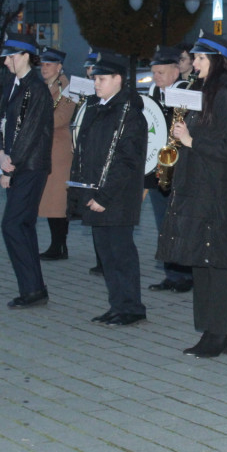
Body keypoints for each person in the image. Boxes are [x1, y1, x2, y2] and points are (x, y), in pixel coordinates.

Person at [156, 33, 227, 358]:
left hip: (213, 188)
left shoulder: (226, 94)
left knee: (214, 263)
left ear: (217, 61)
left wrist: (192, 140)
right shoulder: (200, 92)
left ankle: (218, 332)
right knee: (200, 260)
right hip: (195, 184)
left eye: (200, 59)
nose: (193, 63)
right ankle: (211, 331)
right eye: (194, 58)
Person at [69, 53, 148, 326]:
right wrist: (83, 190)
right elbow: (85, 149)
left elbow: (126, 160)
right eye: (95, 78)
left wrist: (104, 196)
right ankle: (117, 304)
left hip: (116, 197)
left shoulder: (129, 112)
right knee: (106, 254)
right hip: (95, 193)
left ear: (118, 79)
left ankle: (132, 307)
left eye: (102, 79)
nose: (96, 84)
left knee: (120, 252)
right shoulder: (96, 107)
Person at [0, 33, 53, 308]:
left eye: (10, 56)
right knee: (22, 226)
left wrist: (9, 167)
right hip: (16, 164)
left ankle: (32, 289)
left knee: (13, 225)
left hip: (30, 167)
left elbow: (28, 133)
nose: (5, 61)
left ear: (25, 56)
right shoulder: (13, 84)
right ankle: (34, 289)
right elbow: (2, 123)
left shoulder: (36, 89)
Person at [144, 45, 195, 294]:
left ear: (176, 71)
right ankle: (171, 273)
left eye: (161, 73)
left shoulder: (187, 91)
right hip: (157, 165)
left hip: (181, 167)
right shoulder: (153, 91)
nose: (156, 78)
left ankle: (186, 274)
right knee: (163, 222)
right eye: (154, 73)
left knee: (180, 222)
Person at [38, 48, 76, 261]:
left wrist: (33, 119)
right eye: (42, 64)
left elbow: (60, 118)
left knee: (58, 201)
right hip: (45, 148)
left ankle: (59, 245)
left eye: (49, 64)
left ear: (59, 66)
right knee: (50, 200)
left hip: (59, 149)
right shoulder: (42, 87)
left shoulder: (67, 88)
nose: (44, 68)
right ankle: (56, 244)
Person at [73, 48, 106, 276]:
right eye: (87, 68)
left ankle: (104, 260)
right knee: (91, 213)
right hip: (85, 158)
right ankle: (99, 257)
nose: (88, 72)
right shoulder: (87, 96)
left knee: (101, 211)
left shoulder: (101, 99)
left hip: (99, 161)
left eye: (92, 68)